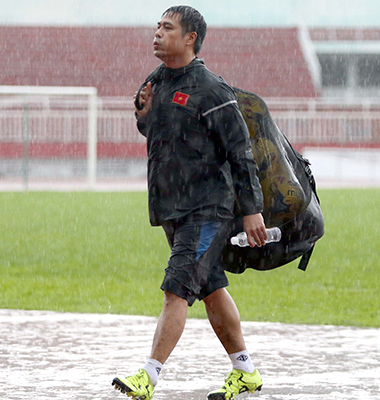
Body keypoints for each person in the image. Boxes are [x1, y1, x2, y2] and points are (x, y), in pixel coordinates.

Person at [112, 5, 268, 400]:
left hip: (208, 209)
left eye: (167, 27)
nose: (157, 33)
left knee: (175, 289)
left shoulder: (213, 89)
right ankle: (245, 371)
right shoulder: (156, 81)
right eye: (157, 26)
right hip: (171, 208)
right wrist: (142, 116)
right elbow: (159, 132)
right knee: (212, 289)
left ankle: (149, 375)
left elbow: (241, 152)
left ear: (190, 39)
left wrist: (251, 210)